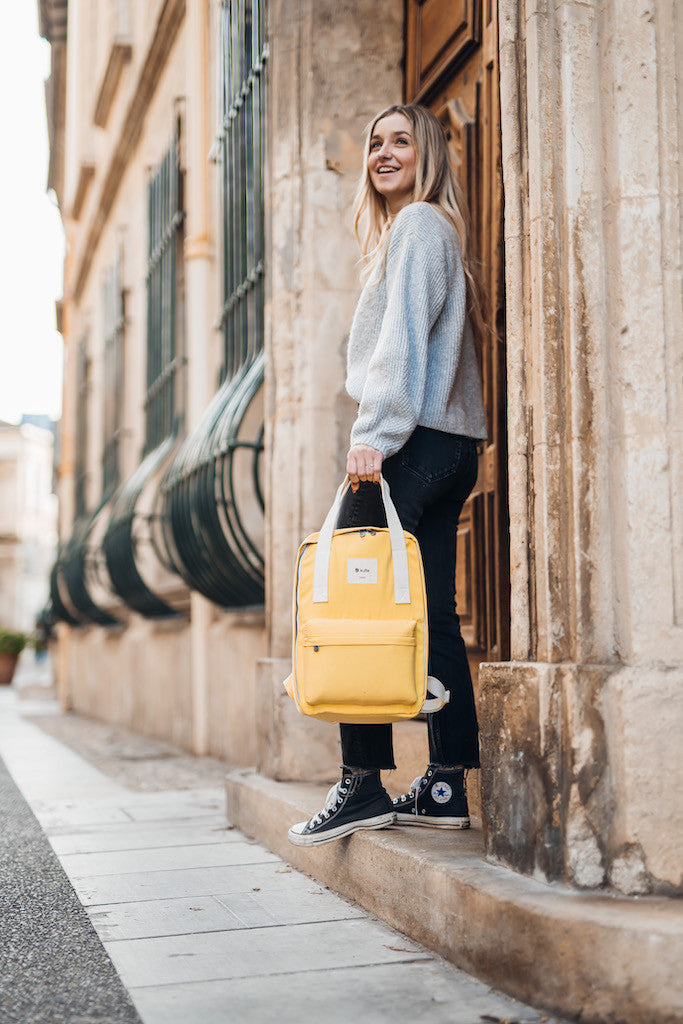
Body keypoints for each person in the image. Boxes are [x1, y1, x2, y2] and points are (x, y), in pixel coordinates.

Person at [288, 104, 488, 847]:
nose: (383, 152)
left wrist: (373, 435)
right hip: (449, 445)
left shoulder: (417, 226)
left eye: (400, 141)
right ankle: (444, 783)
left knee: (357, 602)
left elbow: (401, 341)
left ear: (427, 153)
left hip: (412, 444)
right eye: (375, 142)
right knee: (431, 612)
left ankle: (363, 780)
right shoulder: (427, 231)